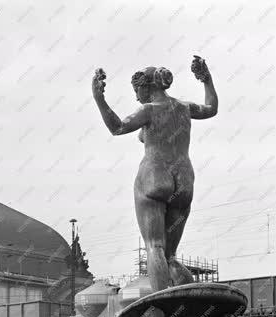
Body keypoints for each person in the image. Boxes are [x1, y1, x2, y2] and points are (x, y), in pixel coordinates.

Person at [91, 56, 218, 292]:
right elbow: (211, 109)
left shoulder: (149, 110)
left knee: (155, 247)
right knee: (170, 257)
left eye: (136, 90)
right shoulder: (184, 108)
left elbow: (117, 127)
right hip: (184, 180)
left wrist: (99, 99)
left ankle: (162, 308)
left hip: (154, 176)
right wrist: (206, 79)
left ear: (146, 87)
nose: (135, 96)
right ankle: (190, 306)